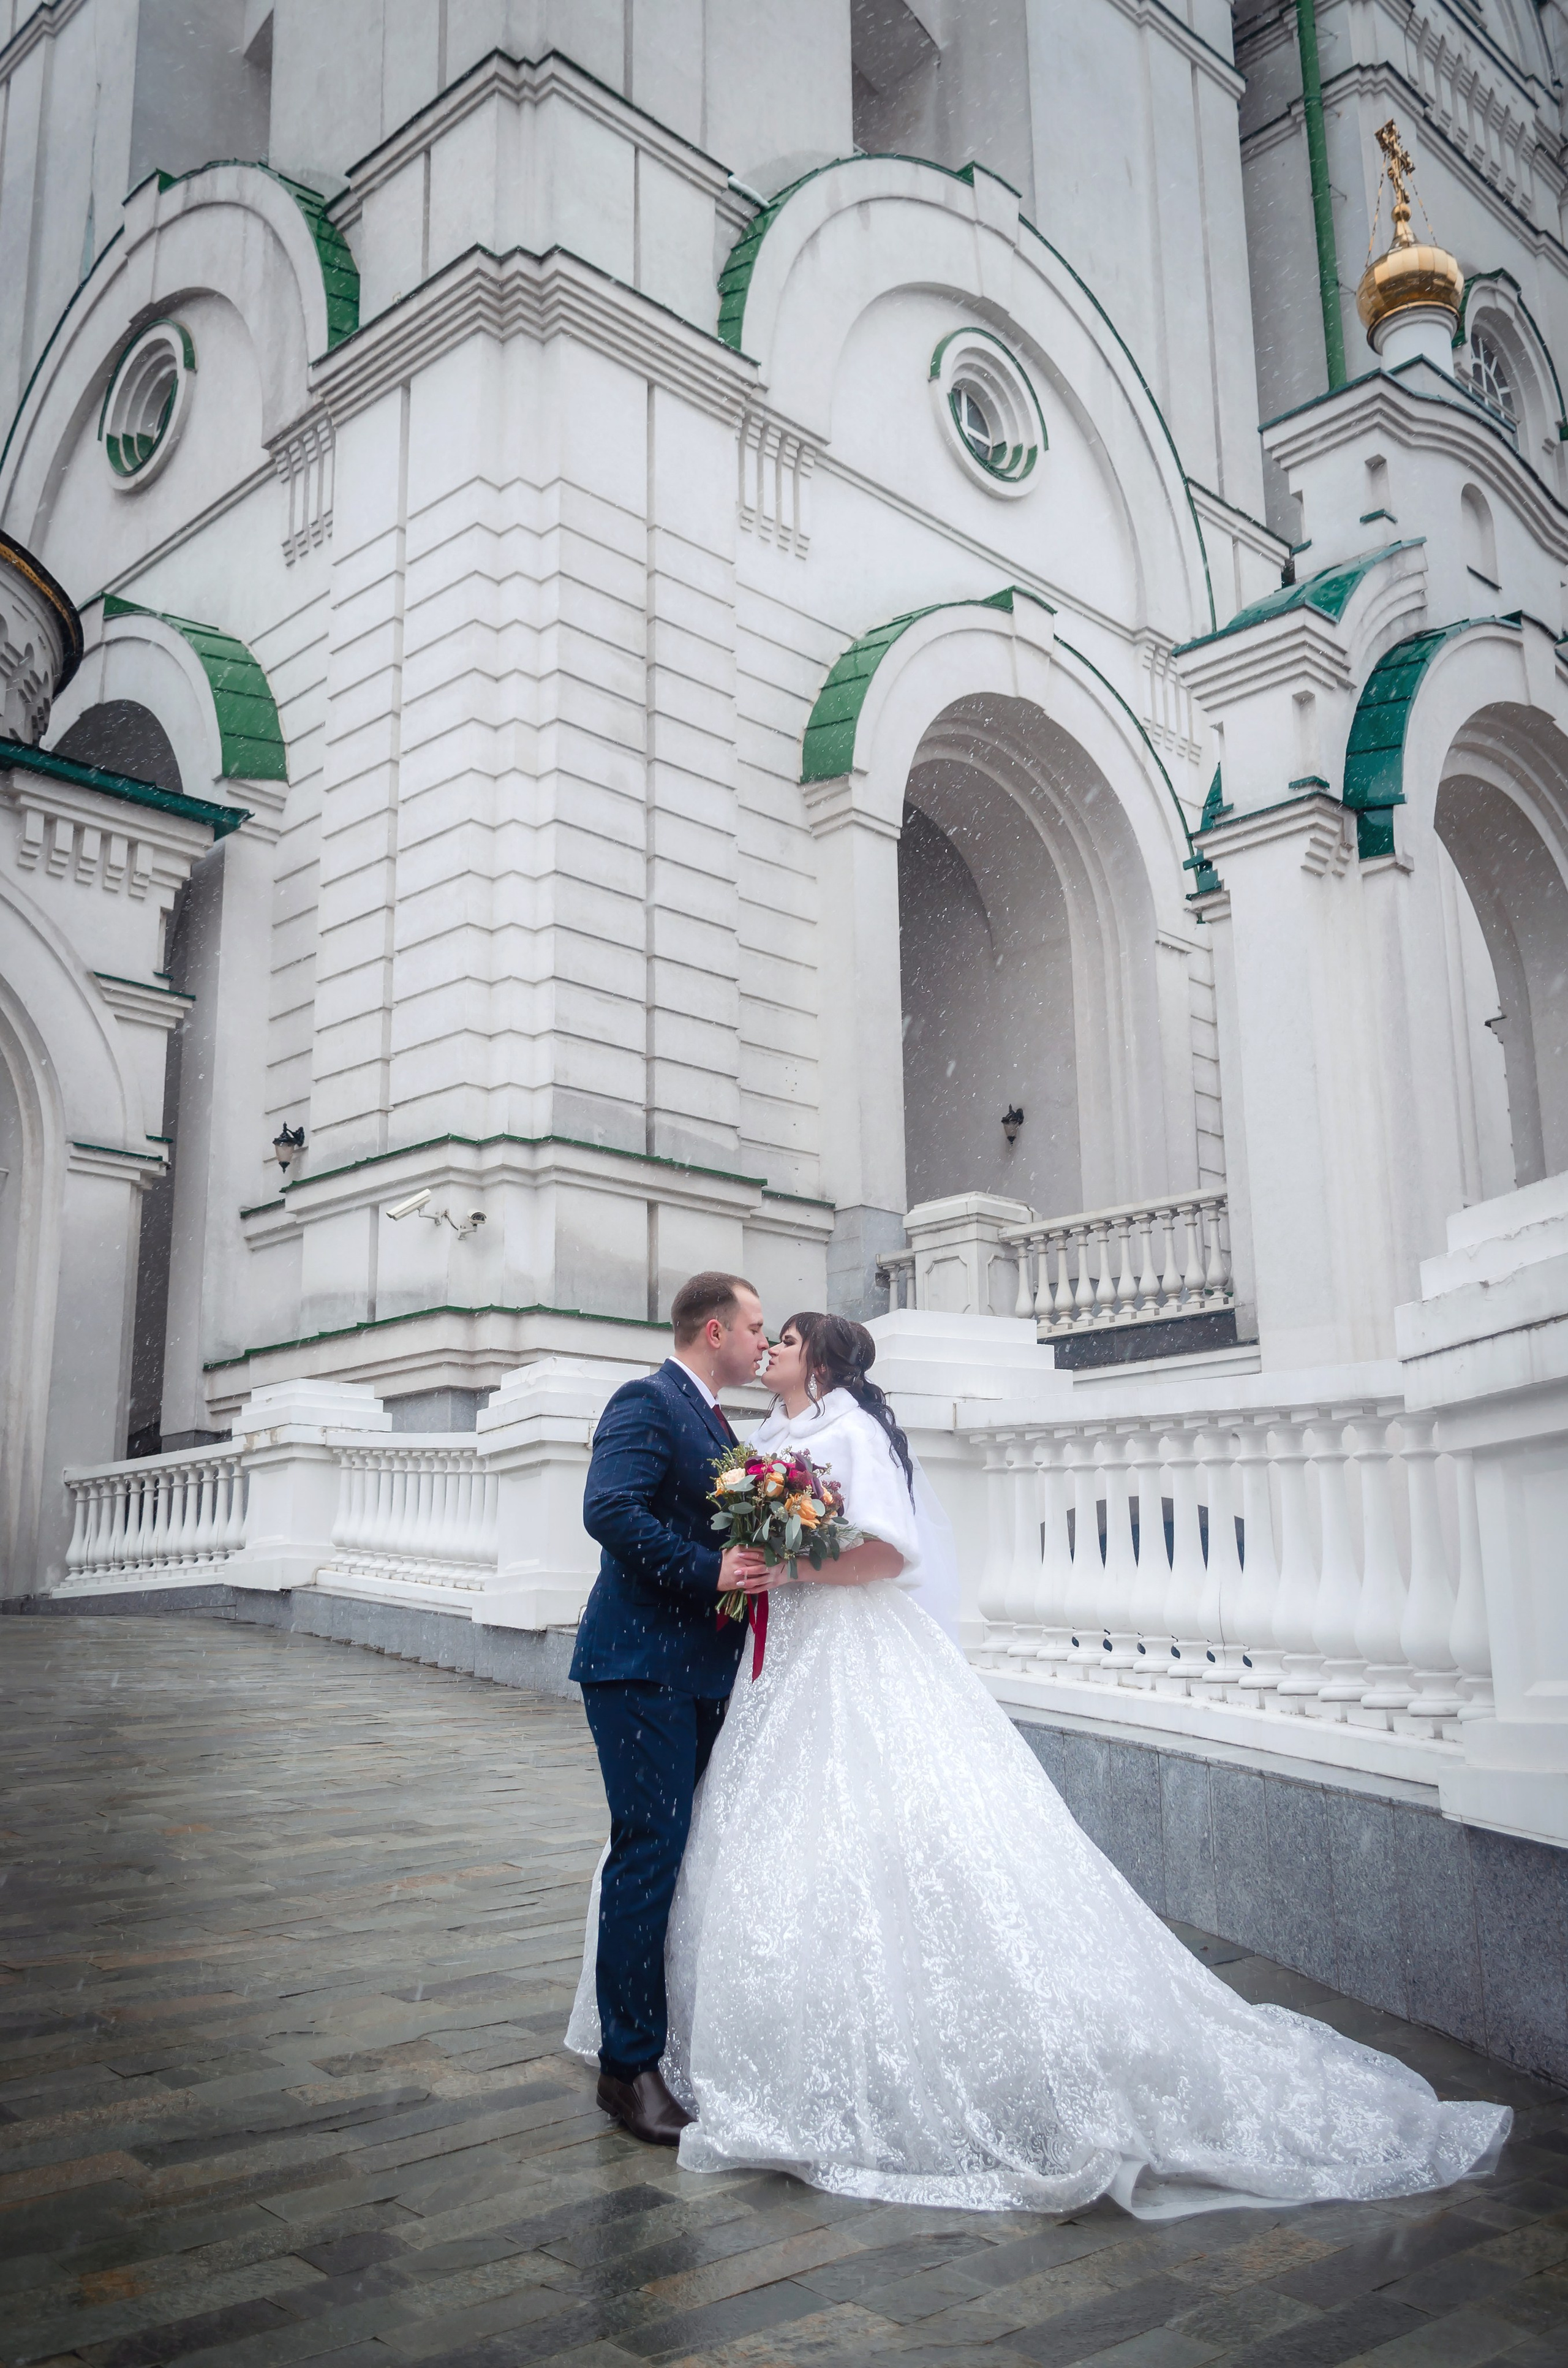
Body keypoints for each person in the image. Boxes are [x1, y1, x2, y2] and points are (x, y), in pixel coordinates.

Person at [570, 1311, 1511, 2220]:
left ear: (817, 1359)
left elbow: (890, 1552)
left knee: (877, 1826)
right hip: (773, 1664)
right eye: (759, 1331)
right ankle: (698, 2042)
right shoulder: (775, 1425)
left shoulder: (848, 1430)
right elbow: (667, 1516)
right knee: (739, 1838)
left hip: (846, 1649)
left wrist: (795, 1570)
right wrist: (764, 1559)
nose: (768, 1345)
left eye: (783, 1337)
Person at [570, 1270, 769, 2146]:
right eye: (758, 1326)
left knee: (675, 1853)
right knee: (648, 1854)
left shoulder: (718, 1419)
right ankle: (628, 2068)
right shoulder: (647, 1399)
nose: (766, 1341)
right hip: (640, 1665)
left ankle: (657, 2042)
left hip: (696, 1670)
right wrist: (709, 1570)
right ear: (716, 1329)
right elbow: (607, 1508)